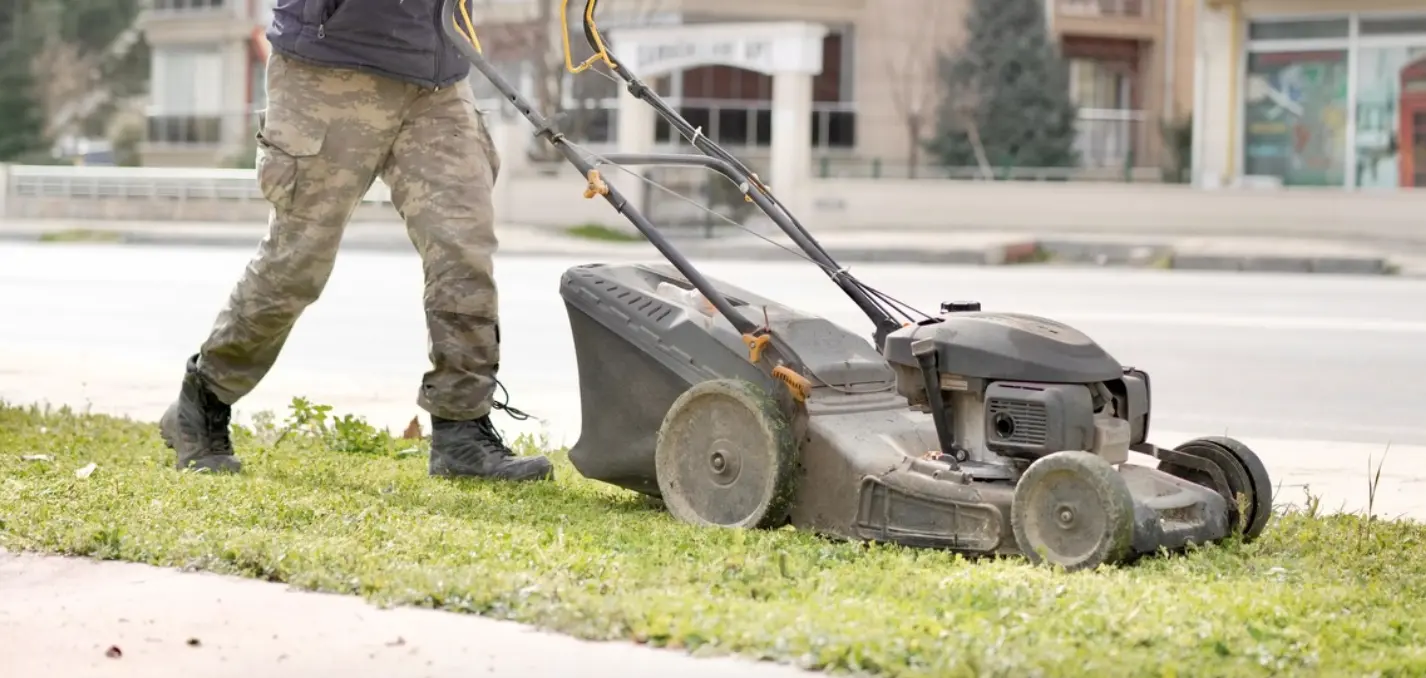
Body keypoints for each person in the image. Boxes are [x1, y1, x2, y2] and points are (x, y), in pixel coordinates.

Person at [159, 0, 553, 483]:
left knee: (463, 250)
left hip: (438, 77)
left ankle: (462, 430)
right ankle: (203, 399)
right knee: (297, 262)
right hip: (329, 67)